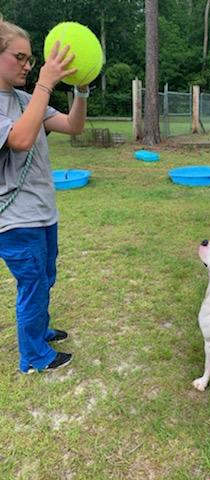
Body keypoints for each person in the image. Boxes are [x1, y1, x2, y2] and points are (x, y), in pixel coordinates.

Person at [0, 17, 89, 373]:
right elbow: (20, 140)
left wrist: (80, 90)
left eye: (30, 59)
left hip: (42, 214)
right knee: (33, 283)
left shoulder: (26, 99)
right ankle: (34, 357)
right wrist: (45, 84)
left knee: (44, 279)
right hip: (15, 220)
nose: (26, 64)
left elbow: (73, 126)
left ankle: (37, 331)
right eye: (19, 57)